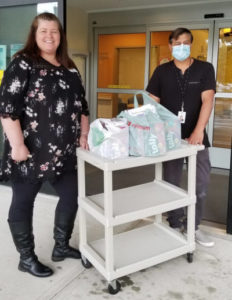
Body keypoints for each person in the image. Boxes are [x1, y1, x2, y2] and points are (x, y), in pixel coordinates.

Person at [0, 12, 89, 277]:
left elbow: (82, 106)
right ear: (35, 35)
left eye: (55, 31)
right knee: (24, 202)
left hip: (65, 152)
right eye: (44, 31)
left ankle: (61, 246)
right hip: (30, 151)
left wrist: (83, 135)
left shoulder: (69, 67)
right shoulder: (23, 63)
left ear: (61, 36)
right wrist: (17, 146)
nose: (50, 36)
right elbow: (7, 109)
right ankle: (26, 258)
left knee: (72, 195)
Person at [146, 28, 216, 247]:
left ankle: (193, 228)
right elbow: (152, 103)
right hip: (170, 140)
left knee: (201, 185)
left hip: (197, 140)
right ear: (170, 45)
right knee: (171, 184)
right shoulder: (161, 71)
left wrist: (198, 131)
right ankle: (175, 224)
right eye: (177, 43)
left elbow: (208, 100)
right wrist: (157, 132)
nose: (181, 47)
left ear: (191, 45)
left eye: (185, 43)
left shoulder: (204, 69)